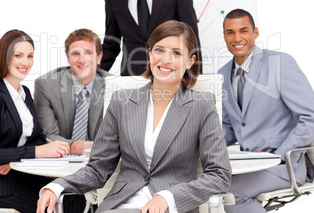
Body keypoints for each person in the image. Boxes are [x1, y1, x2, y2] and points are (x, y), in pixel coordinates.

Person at [37, 21, 231, 213]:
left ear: (190, 61)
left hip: (170, 208)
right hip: (120, 206)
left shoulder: (202, 104)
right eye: (159, 50)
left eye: (177, 53)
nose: (165, 59)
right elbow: (98, 168)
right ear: (149, 53)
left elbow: (219, 174)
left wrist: (168, 197)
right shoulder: (122, 102)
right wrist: (57, 186)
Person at [218, 9, 314, 213]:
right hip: (250, 165)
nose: (237, 38)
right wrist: (201, 143)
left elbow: (312, 118)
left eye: (243, 30)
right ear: (224, 36)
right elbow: (231, 127)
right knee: (203, 186)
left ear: (255, 32)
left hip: (283, 166)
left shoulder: (279, 63)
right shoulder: (222, 74)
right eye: (230, 32)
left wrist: (279, 156)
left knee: (230, 196)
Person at [0, 30, 70, 213]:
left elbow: (37, 137)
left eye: (30, 56)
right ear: (4, 57)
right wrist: (38, 151)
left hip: (18, 174)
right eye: (18, 55)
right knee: (50, 207)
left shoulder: (24, 93)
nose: (25, 63)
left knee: (72, 197)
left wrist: (13, 160)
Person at [34, 28, 110, 154]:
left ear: (99, 57)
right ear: (68, 58)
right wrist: (73, 146)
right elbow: (47, 135)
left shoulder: (115, 85)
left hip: (102, 161)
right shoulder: (45, 85)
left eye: (88, 53)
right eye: (75, 54)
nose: (82, 60)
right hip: (61, 159)